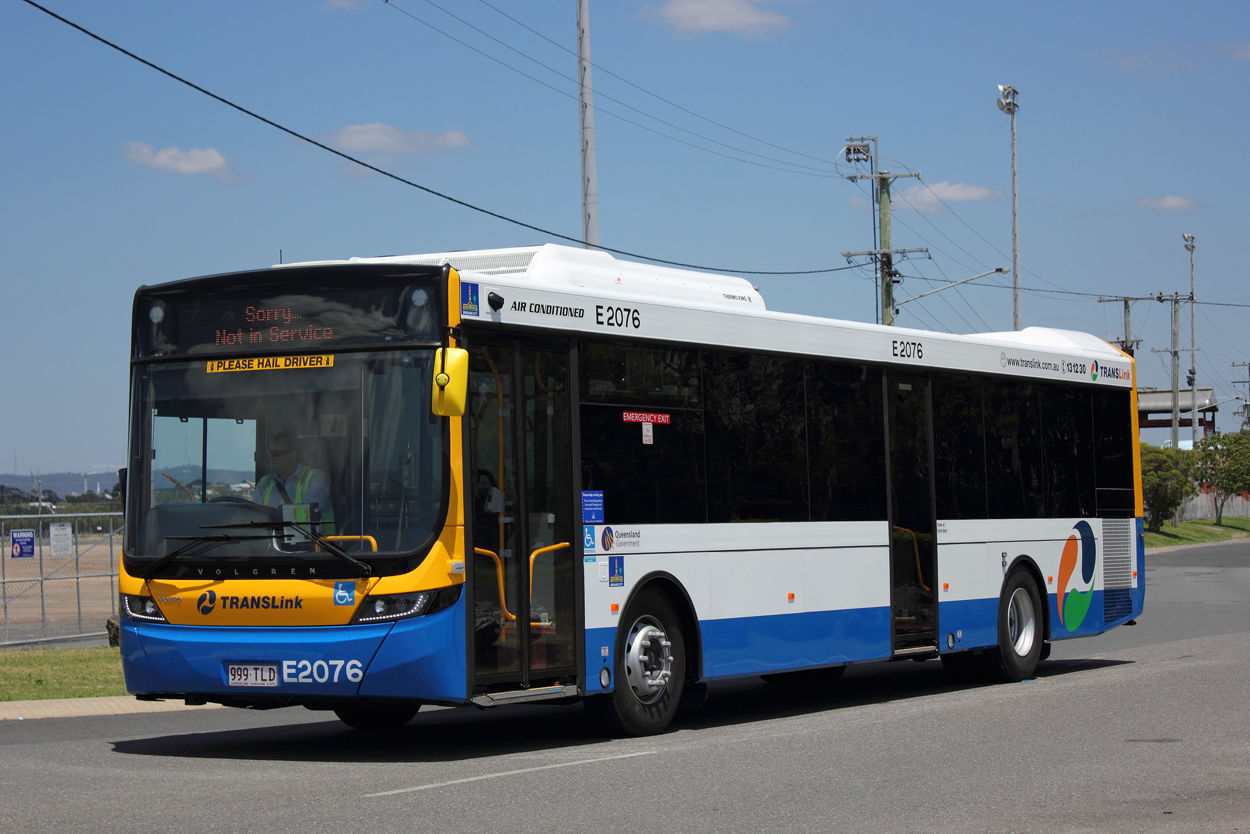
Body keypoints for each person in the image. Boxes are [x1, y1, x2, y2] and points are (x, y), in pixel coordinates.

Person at [253, 431, 334, 531]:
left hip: (316, 545)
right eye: (269, 453)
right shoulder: (264, 484)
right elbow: (256, 520)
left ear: (293, 455)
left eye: (276, 454)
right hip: (271, 546)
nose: (270, 458)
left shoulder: (315, 478)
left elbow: (306, 521)